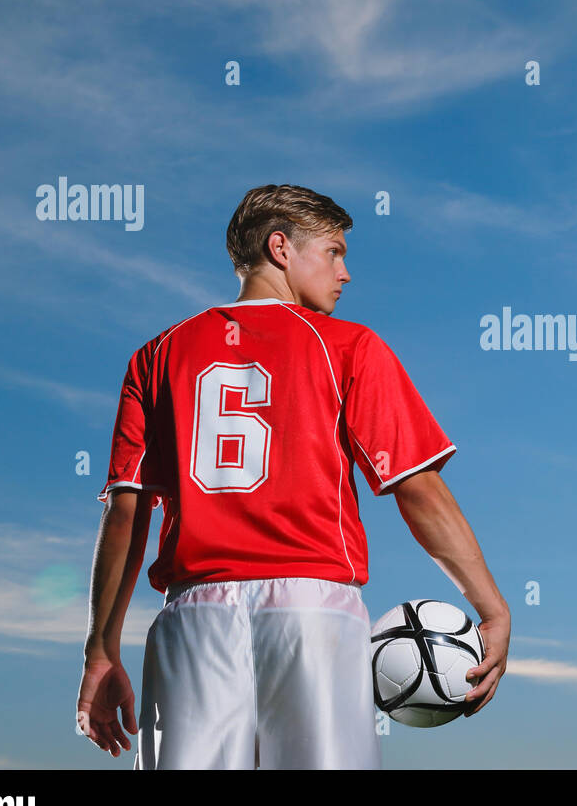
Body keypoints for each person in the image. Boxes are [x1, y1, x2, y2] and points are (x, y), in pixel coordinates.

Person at [76, 183, 510, 768]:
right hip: (311, 604)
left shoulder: (157, 355)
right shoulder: (350, 345)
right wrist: (491, 608)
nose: (346, 273)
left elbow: (127, 509)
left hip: (194, 613)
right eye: (334, 251)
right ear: (280, 248)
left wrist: (101, 650)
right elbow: (417, 489)